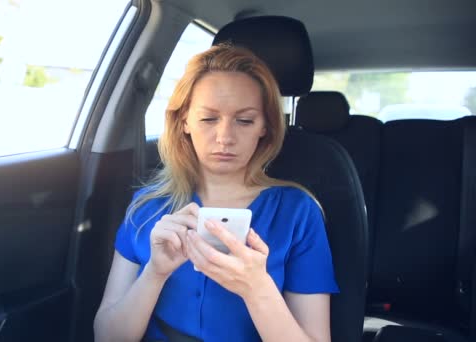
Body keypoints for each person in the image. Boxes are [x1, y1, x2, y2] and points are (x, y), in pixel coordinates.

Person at [93, 43, 339, 342]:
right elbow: (107, 337)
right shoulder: (148, 206)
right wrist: (154, 274)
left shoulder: (297, 213)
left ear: (265, 127)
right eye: (209, 119)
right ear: (184, 121)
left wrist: (256, 289)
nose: (225, 137)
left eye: (245, 120)